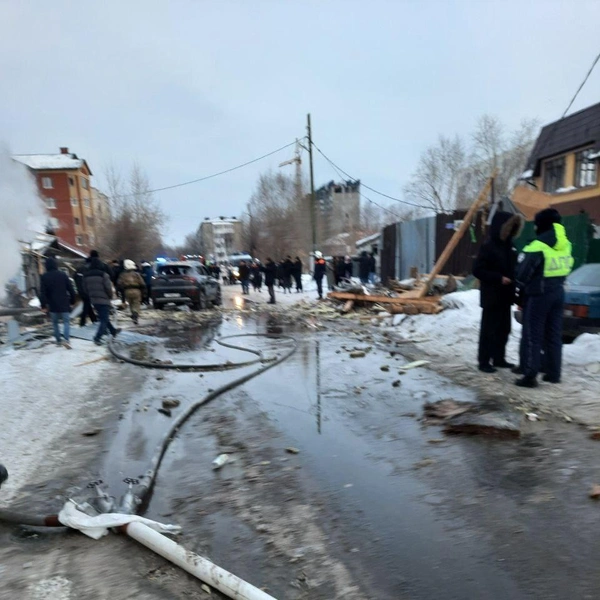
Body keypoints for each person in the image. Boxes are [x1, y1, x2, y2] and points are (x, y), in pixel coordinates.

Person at [514, 208, 573, 388]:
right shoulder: (566, 244)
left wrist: (519, 285)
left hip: (539, 294)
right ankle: (553, 373)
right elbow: (569, 264)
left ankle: (530, 375)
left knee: (533, 334)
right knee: (554, 335)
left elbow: (522, 274)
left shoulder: (537, 245)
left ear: (541, 225)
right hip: (558, 292)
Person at [473, 211, 524, 374]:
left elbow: (514, 269)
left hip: (506, 296)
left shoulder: (510, 246)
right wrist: (498, 278)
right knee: (489, 330)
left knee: (504, 329)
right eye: (507, 228)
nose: (509, 232)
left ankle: (499, 358)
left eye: (512, 229)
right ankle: (484, 361)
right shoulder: (488, 246)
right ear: (500, 228)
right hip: (492, 295)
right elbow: (477, 270)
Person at [40, 257, 76, 349]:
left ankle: (58, 341)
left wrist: (43, 305)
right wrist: (72, 301)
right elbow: (71, 289)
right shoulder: (63, 275)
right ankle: (66, 340)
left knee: (55, 323)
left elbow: (42, 293)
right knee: (66, 322)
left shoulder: (44, 277)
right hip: (64, 302)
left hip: (52, 305)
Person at [84, 256, 121, 345]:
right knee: (103, 320)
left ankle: (113, 331)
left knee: (103, 317)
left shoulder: (86, 275)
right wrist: (110, 296)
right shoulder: (103, 275)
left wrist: (91, 296)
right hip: (103, 300)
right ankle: (97, 337)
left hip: (94, 300)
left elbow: (84, 289)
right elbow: (108, 288)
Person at [117, 259, 147, 325]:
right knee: (136, 303)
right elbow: (142, 283)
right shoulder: (137, 274)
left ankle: (133, 314)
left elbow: (119, 283)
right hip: (136, 290)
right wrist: (144, 291)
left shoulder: (122, 275)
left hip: (127, 291)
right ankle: (135, 315)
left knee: (130, 304)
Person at [74, 257, 97, 327]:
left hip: (80, 290)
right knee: (86, 306)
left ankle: (94, 320)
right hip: (86, 291)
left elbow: (75, 277)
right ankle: (82, 322)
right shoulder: (87, 270)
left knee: (88, 305)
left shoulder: (79, 270)